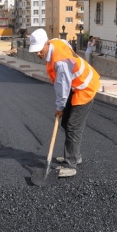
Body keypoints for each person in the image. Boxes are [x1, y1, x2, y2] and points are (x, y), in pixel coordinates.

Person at [29, 29, 101, 178]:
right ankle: (74, 155)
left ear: (47, 43)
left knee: (73, 126)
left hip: (85, 87)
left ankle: (71, 164)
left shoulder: (61, 63)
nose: (37, 54)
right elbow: (66, 43)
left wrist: (60, 108)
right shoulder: (57, 42)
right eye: (34, 51)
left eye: (39, 50)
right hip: (75, 86)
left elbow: (62, 88)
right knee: (66, 122)